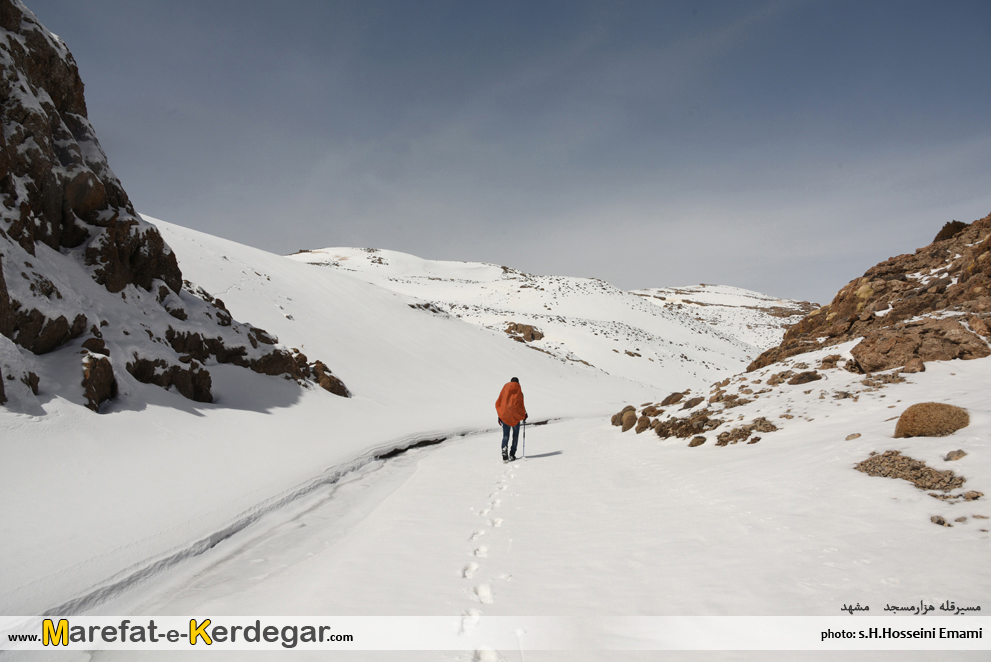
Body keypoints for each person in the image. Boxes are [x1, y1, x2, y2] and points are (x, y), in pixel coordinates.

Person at [495, 377, 527, 462]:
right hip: (516, 416)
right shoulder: (520, 392)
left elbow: (501, 403)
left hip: (505, 416)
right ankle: (512, 454)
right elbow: (521, 405)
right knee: (515, 436)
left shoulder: (505, 391)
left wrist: (500, 415)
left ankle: (504, 448)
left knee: (506, 435)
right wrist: (524, 414)